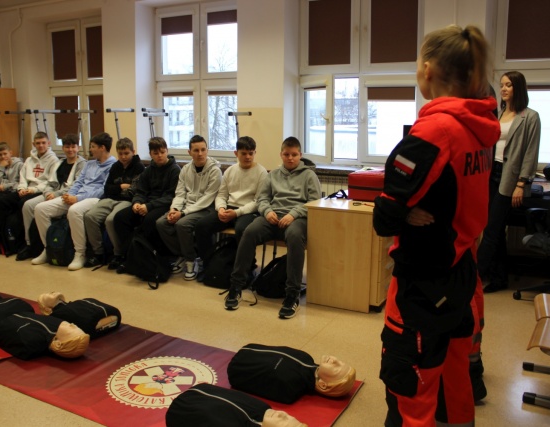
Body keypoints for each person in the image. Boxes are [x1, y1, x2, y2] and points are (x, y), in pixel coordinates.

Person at [372, 25, 500, 426]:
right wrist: (408, 208)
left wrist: (402, 211)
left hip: (422, 287)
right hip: (462, 273)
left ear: (427, 69)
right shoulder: (480, 127)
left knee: (411, 389)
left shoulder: (434, 131)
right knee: (454, 381)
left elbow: (383, 217)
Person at [224, 137, 321, 319]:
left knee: (295, 237)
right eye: (286, 154)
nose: (290, 158)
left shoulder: (309, 176)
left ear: (300, 155)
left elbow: (314, 202)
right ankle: (236, 286)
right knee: (249, 232)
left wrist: (293, 214)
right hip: (273, 217)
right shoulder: (273, 174)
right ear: (281, 155)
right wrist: (267, 211)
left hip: (296, 219)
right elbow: (262, 199)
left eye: (294, 155)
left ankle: (292, 294)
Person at [477, 71, 541, 294]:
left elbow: (530, 153)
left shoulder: (530, 117)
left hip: (510, 178)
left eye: (509, 85)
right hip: (491, 173)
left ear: (518, 88)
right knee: (495, 230)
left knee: (491, 231)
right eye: (502, 85)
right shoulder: (499, 114)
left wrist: (521, 184)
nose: (503, 89)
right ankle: (499, 278)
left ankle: (473, 278)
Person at [32, 132, 116, 271]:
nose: (90, 149)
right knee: (40, 209)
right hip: (76, 195)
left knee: (74, 210)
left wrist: (77, 199)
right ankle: (49, 249)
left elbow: (103, 190)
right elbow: (79, 182)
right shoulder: (89, 164)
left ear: (102, 147)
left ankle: (80, 254)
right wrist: (69, 195)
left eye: (93, 146)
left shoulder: (113, 165)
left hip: (95, 199)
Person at [194, 136, 268, 282]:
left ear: (255, 153)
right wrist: (221, 208)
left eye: (251, 153)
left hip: (248, 211)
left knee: (242, 230)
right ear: (236, 153)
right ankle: (209, 264)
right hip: (229, 209)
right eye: (243, 153)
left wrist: (236, 213)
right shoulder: (230, 170)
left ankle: (246, 270)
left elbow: (258, 202)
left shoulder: (261, 172)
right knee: (201, 225)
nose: (248, 157)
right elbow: (221, 195)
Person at [157, 135, 221, 280]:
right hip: (186, 207)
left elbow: (208, 199)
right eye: (196, 150)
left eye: (203, 150)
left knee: (182, 224)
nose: (200, 154)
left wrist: (183, 213)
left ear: (207, 150)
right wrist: (174, 209)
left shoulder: (215, 171)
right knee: (161, 223)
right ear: (189, 152)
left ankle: (191, 261)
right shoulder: (185, 169)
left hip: (206, 209)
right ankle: (184, 254)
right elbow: (180, 193)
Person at [112, 137, 180, 271]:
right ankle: (130, 256)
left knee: (149, 221)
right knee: (120, 218)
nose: (159, 156)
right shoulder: (148, 170)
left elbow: (171, 196)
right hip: (146, 204)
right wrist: (137, 202)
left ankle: (146, 258)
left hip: (163, 205)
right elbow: (140, 191)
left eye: (162, 152)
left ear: (167, 151)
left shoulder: (175, 170)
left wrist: (149, 206)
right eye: (156, 153)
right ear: (150, 154)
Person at [16, 134, 86, 261]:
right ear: (63, 148)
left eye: (73, 147)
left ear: (78, 148)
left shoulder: (82, 164)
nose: (70, 150)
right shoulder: (60, 163)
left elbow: (76, 185)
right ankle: (33, 244)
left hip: (66, 195)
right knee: (28, 205)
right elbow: (50, 182)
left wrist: (55, 194)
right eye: (67, 147)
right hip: (51, 194)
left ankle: (51, 246)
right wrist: (48, 193)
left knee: (40, 208)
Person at [0, 297, 90, 359]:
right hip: (12, 309)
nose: (72, 324)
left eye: (72, 328)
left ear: (58, 343)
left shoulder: (29, 340)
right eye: (74, 326)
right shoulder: (40, 332)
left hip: (10, 311)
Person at [82, 137, 144, 267]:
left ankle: (118, 254)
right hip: (110, 199)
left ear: (133, 152)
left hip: (127, 201)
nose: (123, 157)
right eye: (120, 154)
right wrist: (121, 187)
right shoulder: (115, 166)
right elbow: (107, 189)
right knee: (90, 216)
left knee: (111, 219)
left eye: (126, 153)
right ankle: (98, 253)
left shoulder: (139, 167)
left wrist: (116, 189)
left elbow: (133, 190)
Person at [227, 343, 356, 404]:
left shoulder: (290, 387)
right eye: (340, 362)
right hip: (249, 349)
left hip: (236, 369)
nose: (335, 360)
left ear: (322, 384)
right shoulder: (305, 357)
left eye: (336, 368)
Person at [166, 383, 308, 427]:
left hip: (180, 410)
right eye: (289, 416)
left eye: (284, 422)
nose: (283, 413)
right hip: (199, 393)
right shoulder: (262, 408)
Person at [37, 292, 121, 338]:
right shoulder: (58, 314)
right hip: (94, 324)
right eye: (48, 296)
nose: (52, 293)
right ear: (46, 308)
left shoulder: (81, 302)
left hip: (109, 316)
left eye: (52, 292)